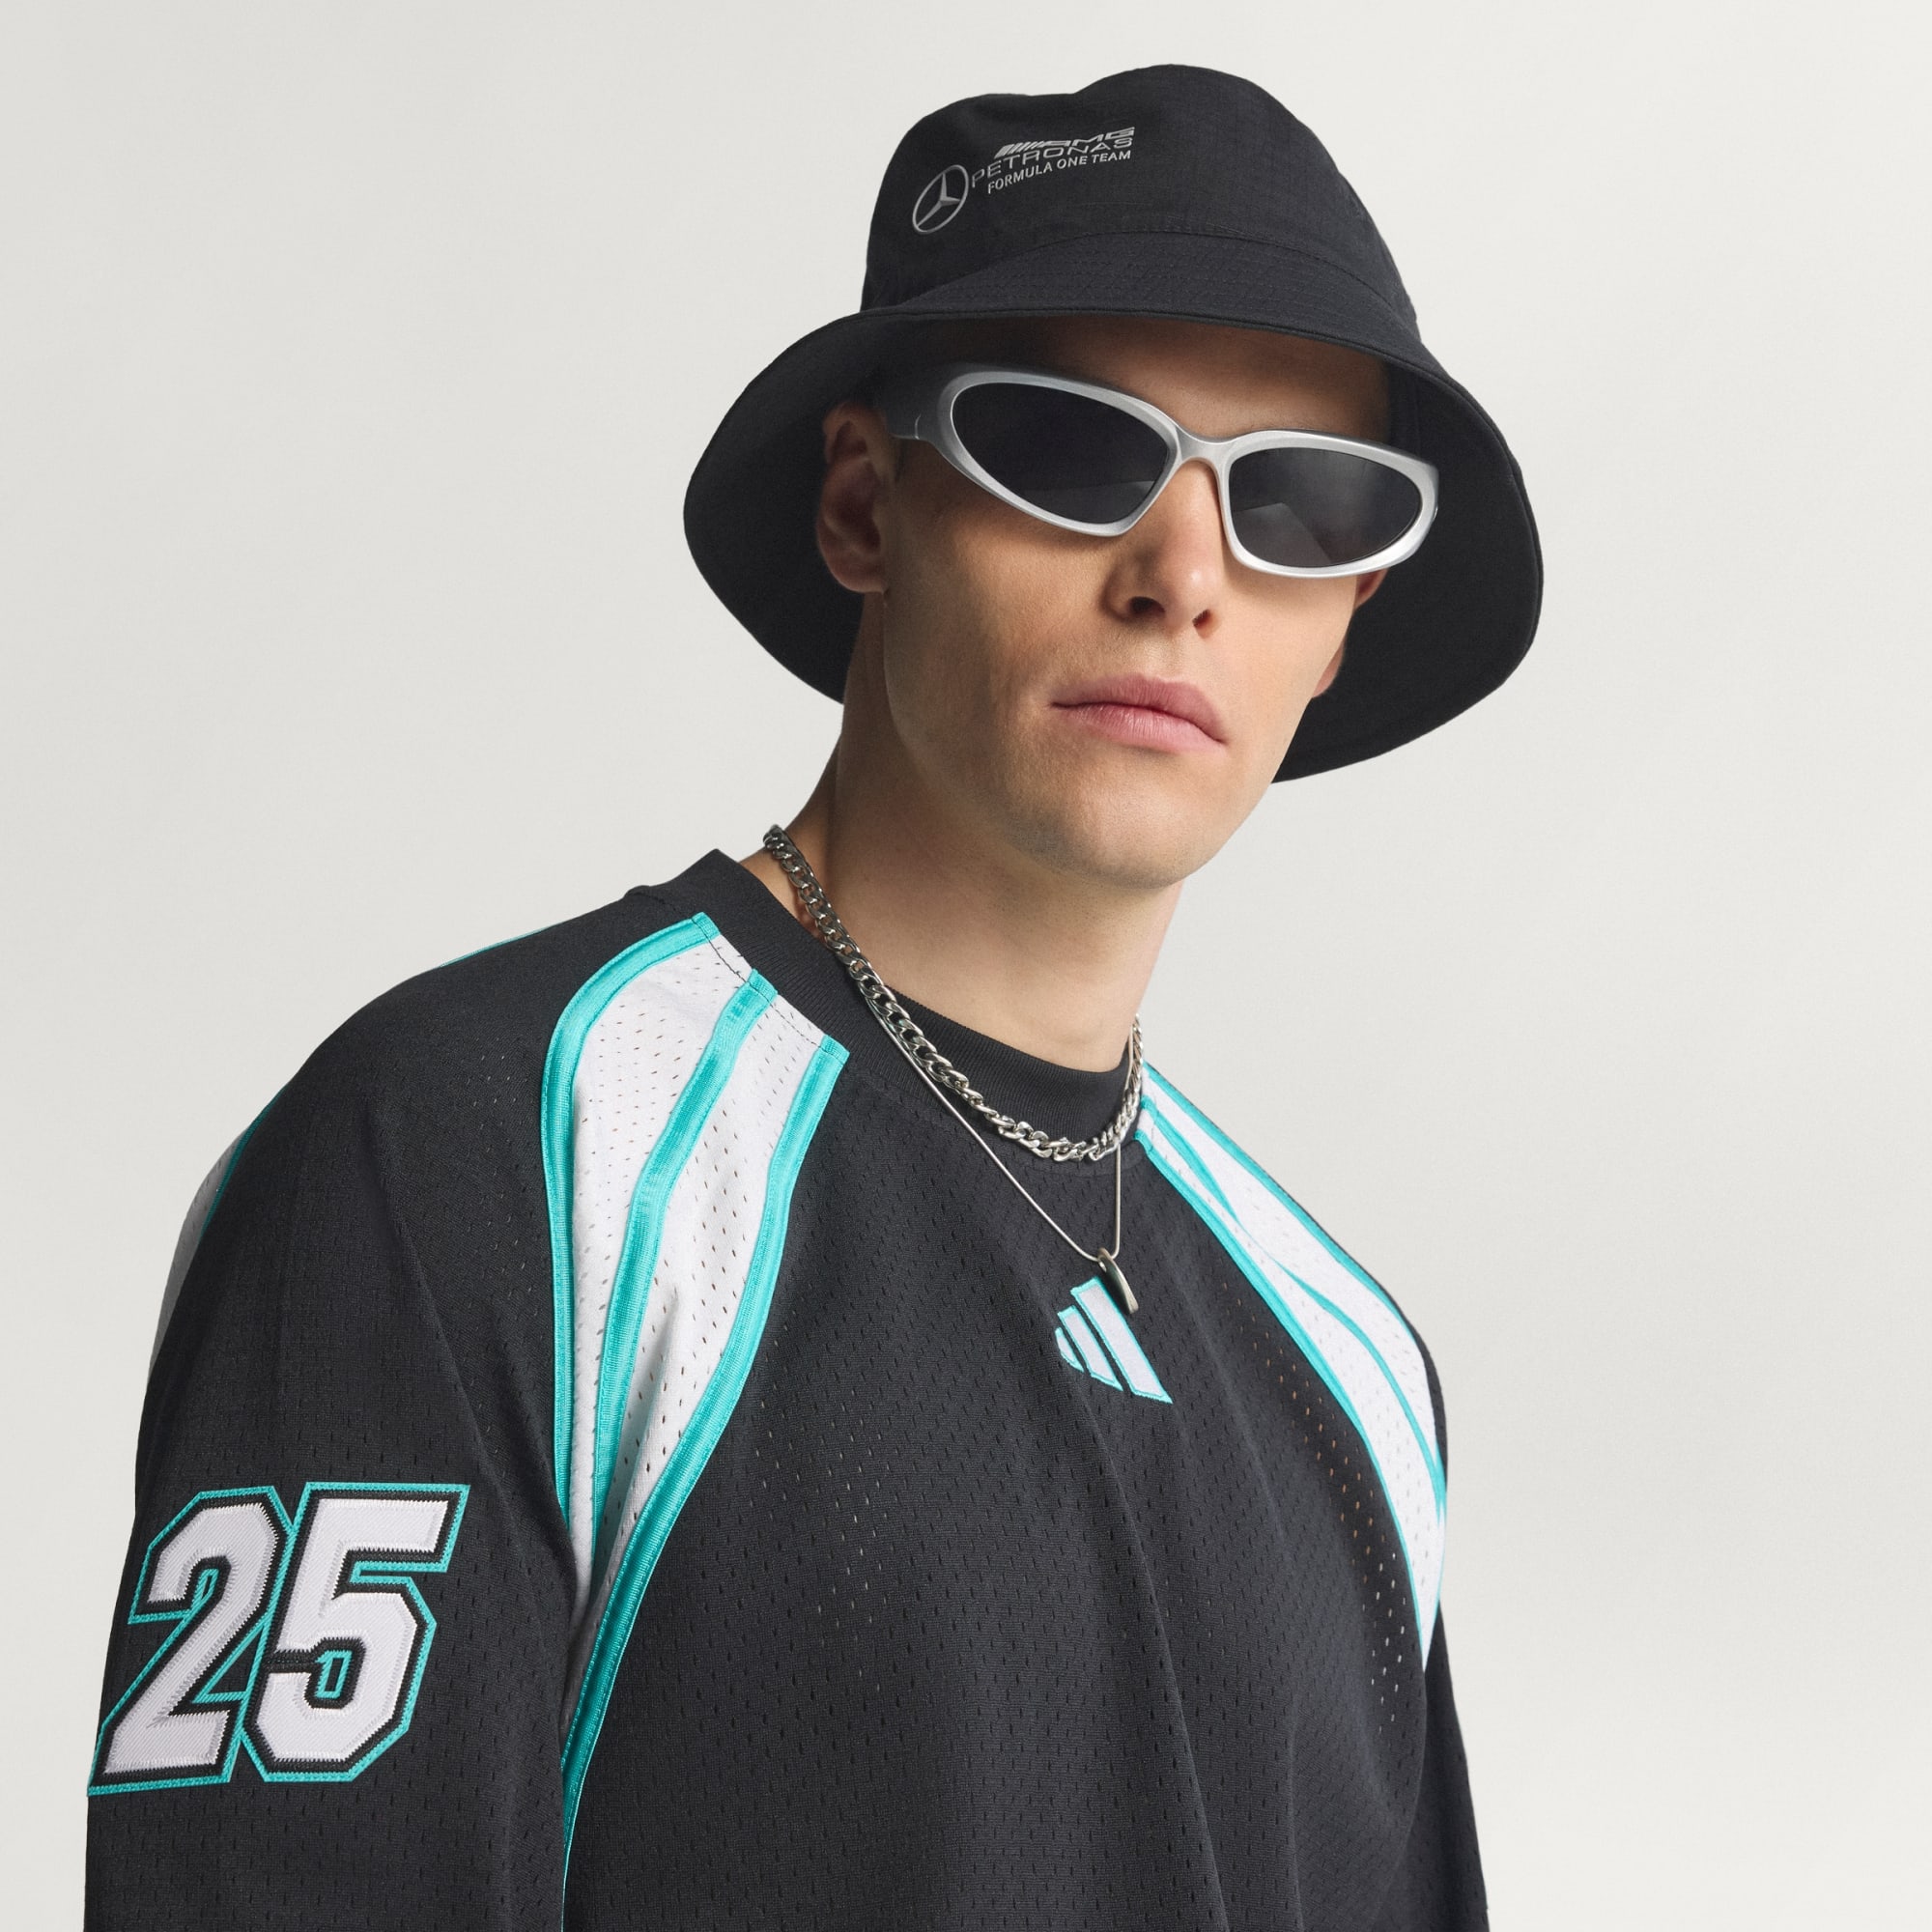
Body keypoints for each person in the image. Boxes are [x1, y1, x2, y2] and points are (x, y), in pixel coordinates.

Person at [85, 64, 1540, 1931]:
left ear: (1349, 616)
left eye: (1304, 501)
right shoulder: (485, 1155)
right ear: (866, 502)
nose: (1184, 577)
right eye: (1068, 447)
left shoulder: (1353, 1365)